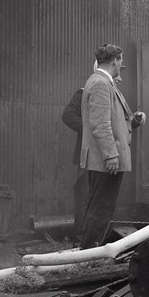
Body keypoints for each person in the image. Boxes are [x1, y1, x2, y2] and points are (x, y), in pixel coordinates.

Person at [80, 44, 146, 248]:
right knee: (101, 207)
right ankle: (89, 252)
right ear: (114, 61)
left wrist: (132, 121)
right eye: (121, 60)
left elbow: (112, 119)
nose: (122, 65)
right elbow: (100, 125)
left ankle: (89, 249)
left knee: (100, 206)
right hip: (105, 160)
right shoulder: (100, 83)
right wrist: (111, 155)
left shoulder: (104, 82)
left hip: (106, 158)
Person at [61, 87, 87, 240]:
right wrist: (89, 130)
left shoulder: (114, 94)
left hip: (107, 156)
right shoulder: (84, 92)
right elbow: (68, 116)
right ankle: (80, 239)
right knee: (85, 196)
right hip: (87, 156)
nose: (120, 78)